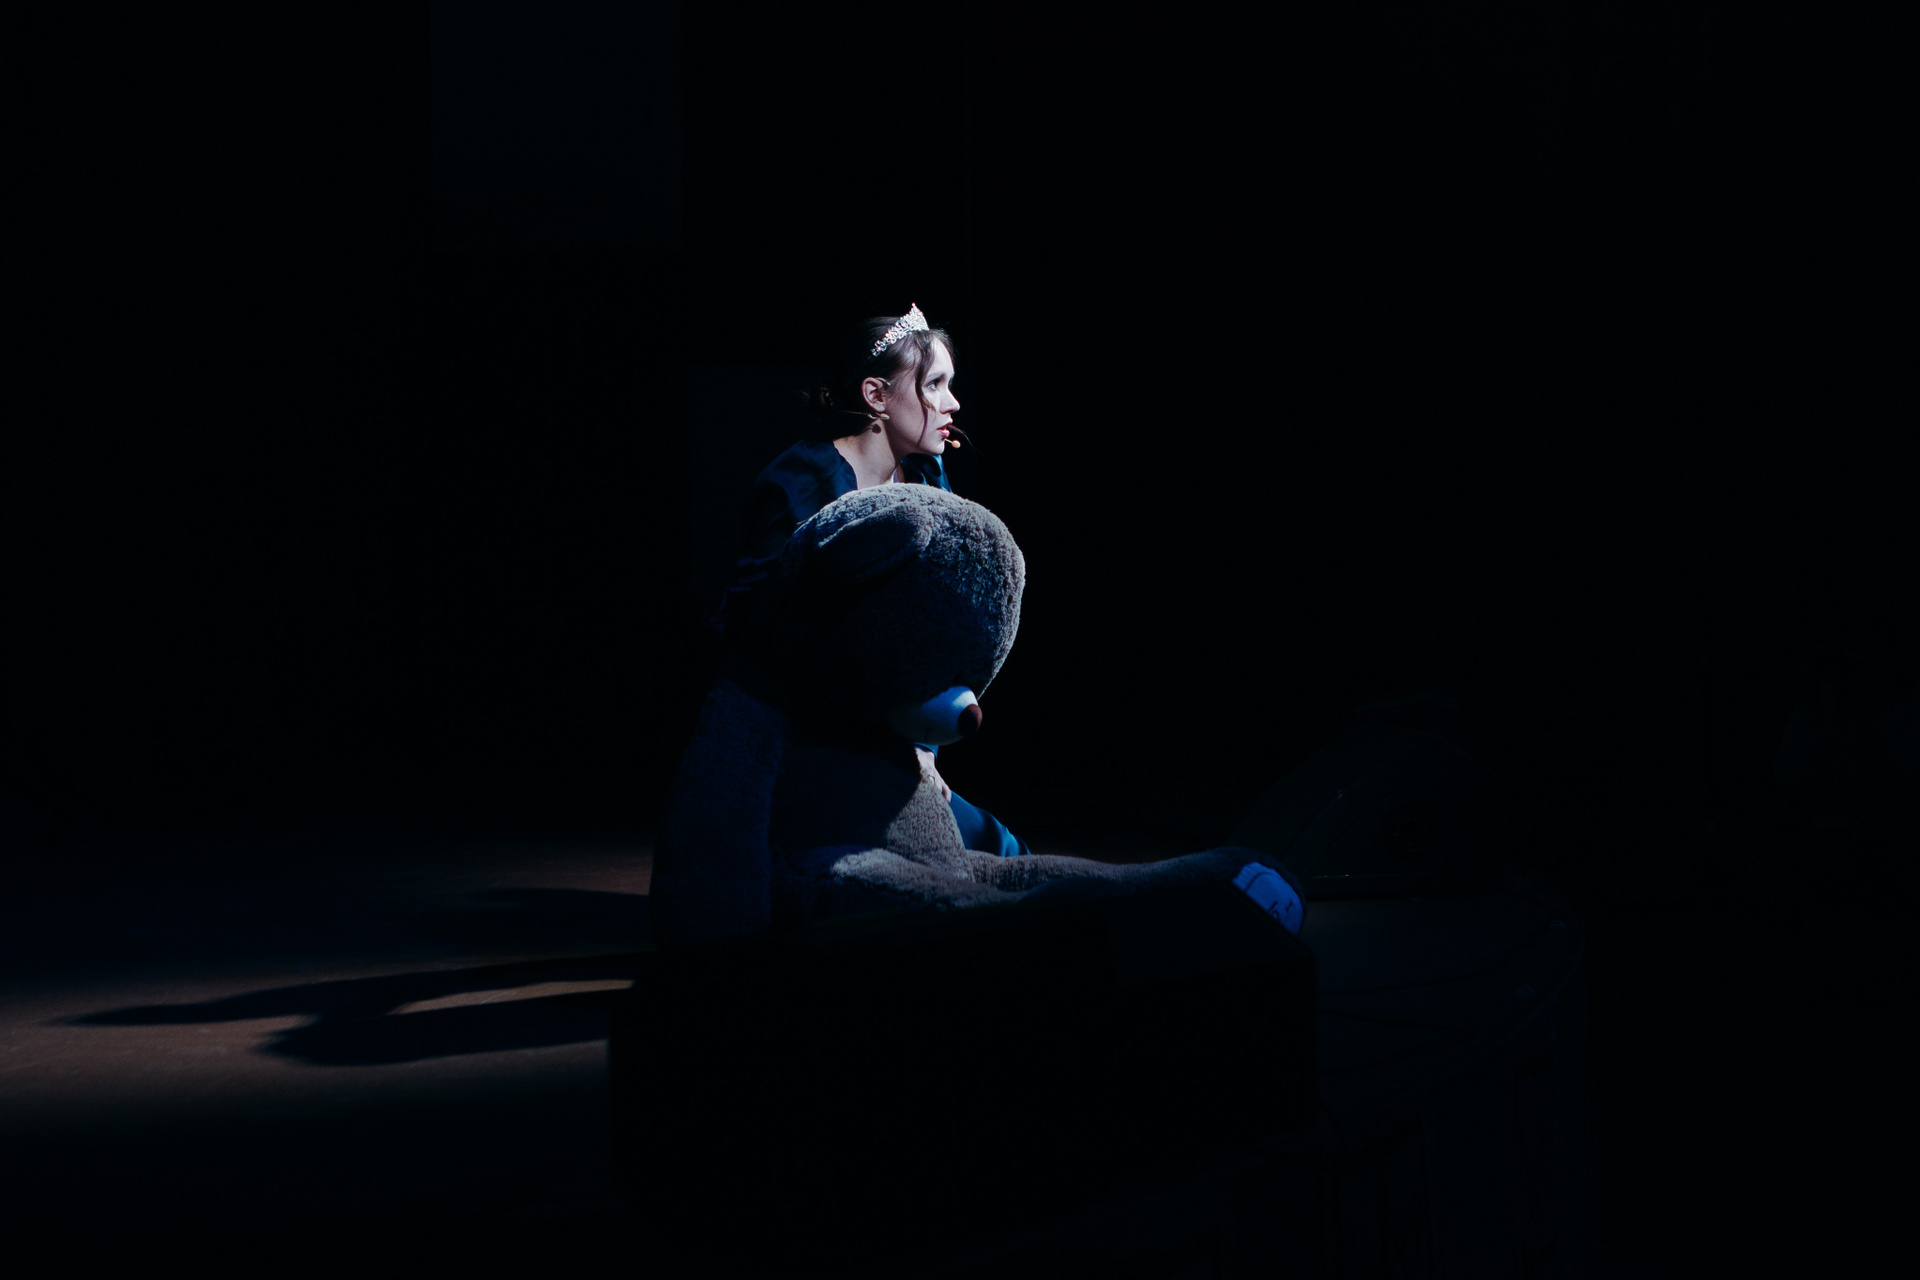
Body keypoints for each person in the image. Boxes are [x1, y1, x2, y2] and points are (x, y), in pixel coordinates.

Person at [703, 304, 1029, 860]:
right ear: (876, 396)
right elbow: (756, 626)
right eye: (934, 384)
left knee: (997, 848)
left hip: (884, 732)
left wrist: (922, 747)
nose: (952, 403)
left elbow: (928, 631)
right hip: (801, 730)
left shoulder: (925, 476)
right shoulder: (804, 480)